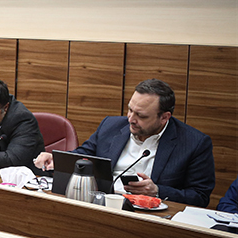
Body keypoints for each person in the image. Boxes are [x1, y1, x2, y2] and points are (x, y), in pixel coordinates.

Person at [34, 79, 216, 207]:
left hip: (149, 215)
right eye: (130, 110)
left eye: (141, 116)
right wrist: (57, 159)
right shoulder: (111, 126)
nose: (131, 119)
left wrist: (157, 191)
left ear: (164, 117)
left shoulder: (194, 143)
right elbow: (85, 154)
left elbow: (200, 197)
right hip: (102, 204)